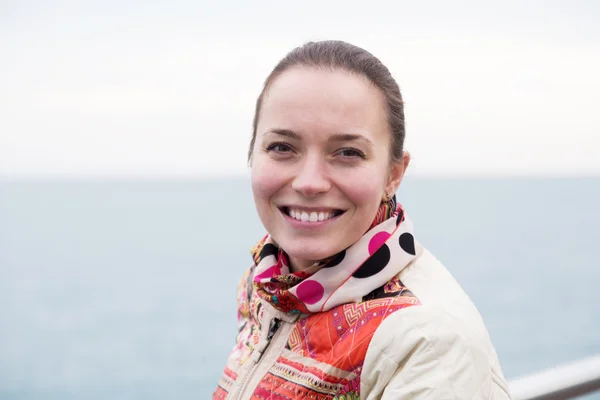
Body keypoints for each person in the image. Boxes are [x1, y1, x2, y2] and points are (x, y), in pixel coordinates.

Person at [213, 40, 511, 399]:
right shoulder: (267, 283)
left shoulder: (430, 340)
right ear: (252, 154)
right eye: (282, 147)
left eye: (348, 153)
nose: (309, 182)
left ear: (393, 175)